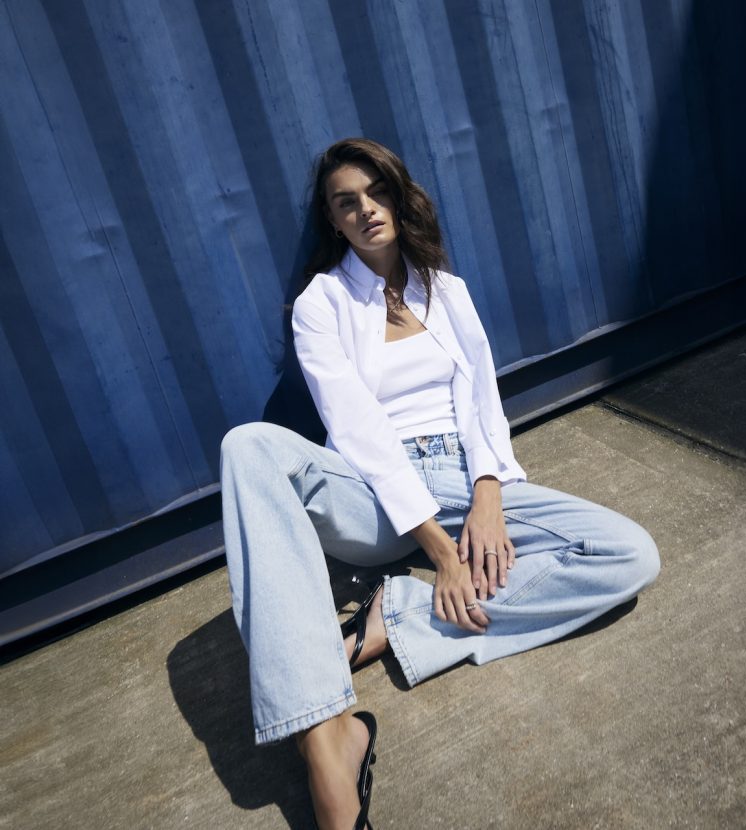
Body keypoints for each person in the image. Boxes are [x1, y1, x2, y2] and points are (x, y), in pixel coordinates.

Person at [220, 138, 660, 830]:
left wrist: (487, 493)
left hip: (463, 472)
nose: (366, 211)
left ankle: (396, 619)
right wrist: (443, 549)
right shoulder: (322, 304)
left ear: (398, 196)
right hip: (371, 494)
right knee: (247, 445)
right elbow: (356, 427)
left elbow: (482, 400)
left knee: (630, 554)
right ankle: (328, 738)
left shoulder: (446, 290)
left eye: (377, 193)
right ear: (332, 221)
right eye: (347, 202)